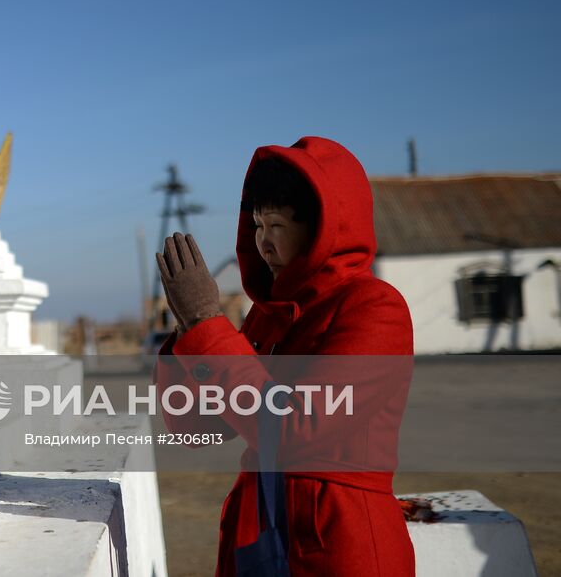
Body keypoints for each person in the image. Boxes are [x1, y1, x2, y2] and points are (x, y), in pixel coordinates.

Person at [154, 136, 415, 577]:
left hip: (337, 542)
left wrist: (207, 324)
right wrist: (189, 328)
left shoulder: (374, 307)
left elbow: (297, 428)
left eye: (276, 225)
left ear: (322, 228)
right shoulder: (269, 316)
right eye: (256, 225)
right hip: (261, 534)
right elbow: (197, 426)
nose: (263, 244)